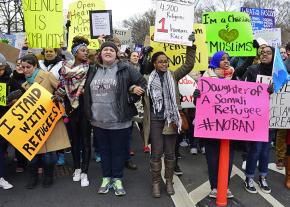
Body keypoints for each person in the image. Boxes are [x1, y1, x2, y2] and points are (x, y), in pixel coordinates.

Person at [84, 41, 146, 196]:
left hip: (120, 121)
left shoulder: (125, 68)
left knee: (118, 152)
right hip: (98, 120)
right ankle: (106, 178)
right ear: (100, 53)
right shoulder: (92, 70)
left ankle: (117, 179)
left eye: (112, 50)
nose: (108, 52)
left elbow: (142, 82)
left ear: (116, 53)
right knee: (104, 151)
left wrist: (131, 97)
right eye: (105, 49)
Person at [143, 34, 196, 198]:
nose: (164, 64)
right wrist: (133, 89)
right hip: (155, 121)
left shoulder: (173, 75)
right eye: (160, 61)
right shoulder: (147, 79)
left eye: (166, 61)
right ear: (154, 64)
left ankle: (169, 181)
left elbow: (188, 65)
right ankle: (156, 183)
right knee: (156, 153)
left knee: (171, 153)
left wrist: (191, 45)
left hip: (170, 120)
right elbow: (134, 85)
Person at [20, 54, 71, 189]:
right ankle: (33, 178)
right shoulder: (24, 82)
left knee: (49, 153)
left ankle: (48, 176)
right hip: (33, 121)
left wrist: (58, 96)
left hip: (49, 118)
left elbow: (62, 86)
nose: (25, 70)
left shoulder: (46, 75)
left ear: (35, 65)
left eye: (28, 67)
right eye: (22, 67)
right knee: (32, 152)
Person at [194, 51, 235, 199]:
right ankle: (214, 187)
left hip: (229, 125)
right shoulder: (206, 77)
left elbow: (247, 95)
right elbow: (198, 104)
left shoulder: (234, 76)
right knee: (212, 158)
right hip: (212, 126)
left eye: (228, 59)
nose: (226, 61)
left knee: (228, 158)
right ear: (216, 61)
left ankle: (225, 186)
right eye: (222, 59)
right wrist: (196, 96)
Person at [57, 36, 92, 187]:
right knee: (75, 141)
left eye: (86, 51)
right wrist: (58, 94)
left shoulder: (90, 68)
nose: (86, 53)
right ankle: (77, 168)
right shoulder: (64, 69)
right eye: (83, 51)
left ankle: (85, 171)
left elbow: (93, 86)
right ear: (75, 53)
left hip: (84, 107)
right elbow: (62, 86)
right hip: (71, 107)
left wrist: (87, 90)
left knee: (85, 140)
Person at [241, 46, 275, 194]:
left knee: (266, 151)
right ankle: (249, 177)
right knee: (255, 149)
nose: (264, 55)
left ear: (274, 56)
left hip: (272, 116)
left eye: (268, 53)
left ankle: (262, 177)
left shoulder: (279, 73)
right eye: (262, 53)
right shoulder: (252, 70)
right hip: (255, 116)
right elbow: (243, 89)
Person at [0, 53, 21, 190]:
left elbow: (21, 93)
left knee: (1, 150)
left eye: (1, 68)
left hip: (4, 119)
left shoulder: (9, 79)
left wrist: (13, 101)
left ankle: (1, 177)